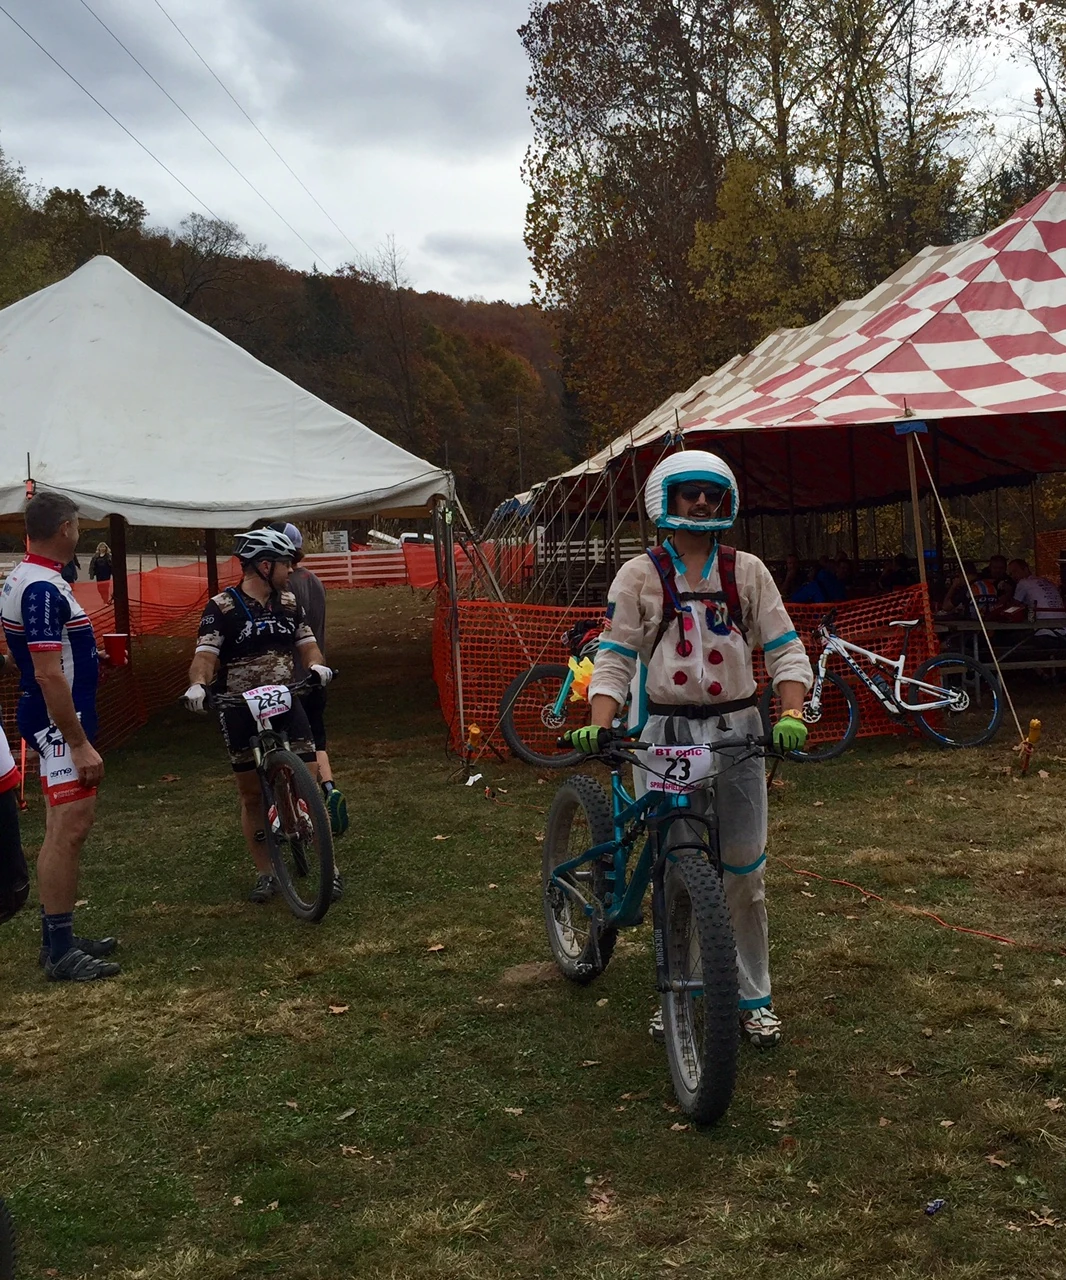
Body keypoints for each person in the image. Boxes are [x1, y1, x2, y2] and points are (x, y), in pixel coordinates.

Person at [564, 451, 813, 1048]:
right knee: (676, 869)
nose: (701, 502)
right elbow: (616, 657)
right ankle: (678, 986)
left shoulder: (748, 571)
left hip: (738, 732)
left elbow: (784, 646)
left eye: (711, 493)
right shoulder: (638, 576)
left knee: (745, 874)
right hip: (668, 736)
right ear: (665, 501)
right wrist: (600, 721)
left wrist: (793, 712)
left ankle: (753, 998)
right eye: (689, 492)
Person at [183, 528, 339, 904]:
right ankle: (266, 873)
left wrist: (317, 667)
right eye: (286, 563)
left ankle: (328, 869)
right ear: (265, 566)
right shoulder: (221, 607)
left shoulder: (289, 603)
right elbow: (204, 658)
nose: (291, 570)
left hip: (286, 698)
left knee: (309, 786)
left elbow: (308, 646)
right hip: (239, 707)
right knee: (251, 794)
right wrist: (199, 686)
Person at [0, 492, 119, 981]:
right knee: (69, 828)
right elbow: (48, 674)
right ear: (65, 529)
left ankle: (58, 937)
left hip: (51, 716)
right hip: (57, 723)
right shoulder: (42, 588)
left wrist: (87, 660)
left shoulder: (28, 579)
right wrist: (77, 741)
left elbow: (22, 656)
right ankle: (61, 949)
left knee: (61, 825)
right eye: (78, 525)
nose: (80, 531)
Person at [267, 523, 349, 847]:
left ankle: (303, 807)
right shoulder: (316, 582)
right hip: (319, 673)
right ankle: (329, 788)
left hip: (292, 679)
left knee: (292, 748)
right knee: (318, 738)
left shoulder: (283, 592)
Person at [1006, 559, 1066, 643]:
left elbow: (1012, 609)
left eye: (1015, 571)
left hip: (1043, 632)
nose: (1013, 576)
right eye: (1011, 574)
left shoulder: (1023, 582)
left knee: (1008, 639)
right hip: (1063, 630)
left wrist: (1007, 593)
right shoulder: (1048, 582)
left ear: (1026, 569)